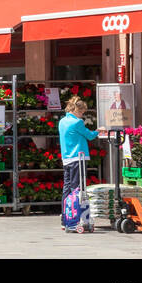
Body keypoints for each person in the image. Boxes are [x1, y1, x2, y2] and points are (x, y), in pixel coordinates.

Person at [58, 95, 99, 233]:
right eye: (82, 112)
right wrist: (99, 131)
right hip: (78, 158)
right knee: (78, 189)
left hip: (67, 158)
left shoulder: (62, 121)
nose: (82, 115)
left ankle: (66, 219)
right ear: (76, 110)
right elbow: (90, 135)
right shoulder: (77, 122)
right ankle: (76, 219)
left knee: (67, 188)